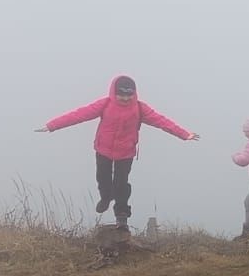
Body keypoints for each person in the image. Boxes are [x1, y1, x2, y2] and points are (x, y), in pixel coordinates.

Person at [38, 74, 198, 233]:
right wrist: (52, 126)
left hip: (125, 152)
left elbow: (163, 122)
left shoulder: (140, 108)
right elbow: (79, 115)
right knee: (102, 178)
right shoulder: (105, 104)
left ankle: (122, 216)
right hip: (103, 149)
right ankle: (106, 197)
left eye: (129, 95)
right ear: (114, 92)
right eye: (121, 94)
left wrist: (185, 134)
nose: (125, 98)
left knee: (121, 184)